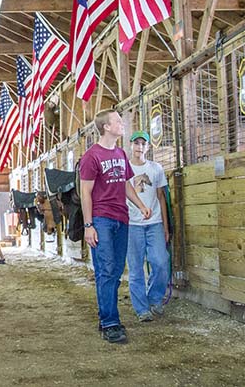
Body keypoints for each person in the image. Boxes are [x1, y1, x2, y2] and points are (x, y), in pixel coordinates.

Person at [78, 110, 153, 344]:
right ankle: (110, 322)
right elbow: (85, 192)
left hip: (122, 218)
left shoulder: (120, 153)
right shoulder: (91, 157)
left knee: (117, 270)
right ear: (106, 127)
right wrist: (88, 225)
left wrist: (140, 205)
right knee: (107, 269)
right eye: (118, 121)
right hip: (101, 218)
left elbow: (126, 184)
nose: (122, 124)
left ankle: (106, 316)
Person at [127, 130, 170, 322]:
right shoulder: (125, 169)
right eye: (136, 143)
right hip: (132, 223)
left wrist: (166, 227)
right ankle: (141, 308)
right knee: (136, 267)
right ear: (131, 145)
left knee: (160, 262)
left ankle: (154, 298)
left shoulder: (156, 168)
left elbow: (162, 197)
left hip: (154, 223)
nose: (139, 147)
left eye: (143, 144)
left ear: (147, 147)